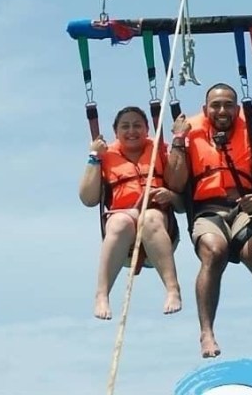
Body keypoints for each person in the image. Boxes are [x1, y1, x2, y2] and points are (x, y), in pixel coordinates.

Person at [166, 83, 252, 359]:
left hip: (243, 210)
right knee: (214, 251)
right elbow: (174, 183)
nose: (222, 110)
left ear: (237, 109)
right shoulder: (189, 143)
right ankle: (207, 332)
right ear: (205, 109)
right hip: (207, 211)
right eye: (216, 105)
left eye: (228, 105)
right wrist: (177, 139)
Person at [78, 106, 183, 320]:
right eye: (125, 126)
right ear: (116, 133)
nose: (132, 131)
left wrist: (169, 196)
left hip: (159, 222)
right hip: (123, 226)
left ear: (147, 130)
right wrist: (93, 157)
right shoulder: (105, 157)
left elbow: (183, 204)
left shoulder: (160, 151)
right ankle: (102, 295)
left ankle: (173, 289)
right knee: (118, 223)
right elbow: (88, 199)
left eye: (137, 125)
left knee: (149, 217)